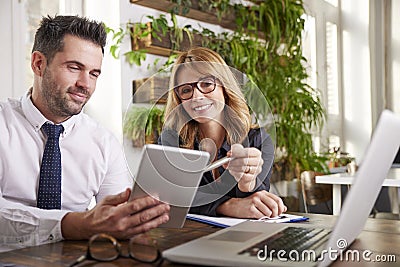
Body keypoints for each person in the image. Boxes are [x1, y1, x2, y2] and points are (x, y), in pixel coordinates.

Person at [0, 15, 169, 252]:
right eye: (74, 67)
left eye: (94, 73)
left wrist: (130, 217)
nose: (85, 84)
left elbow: (114, 219)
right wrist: (71, 224)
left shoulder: (104, 142)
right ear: (39, 63)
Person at [159, 47, 286, 219]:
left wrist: (247, 182)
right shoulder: (171, 139)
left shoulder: (257, 140)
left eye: (207, 84)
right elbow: (169, 195)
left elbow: (256, 203)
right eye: (186, 90)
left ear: (224, 87)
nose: (196, 97)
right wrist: (228, 206)